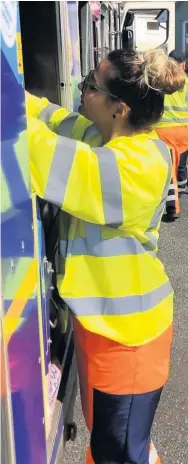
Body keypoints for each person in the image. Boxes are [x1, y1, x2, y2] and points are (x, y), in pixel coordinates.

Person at [26, 49, 184, 464]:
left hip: (129, 341)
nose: (81, 90)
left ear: (119, 108)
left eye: (91, 86)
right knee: (109, 442)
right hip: (103, 328)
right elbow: (51, 120)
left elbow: (40, 152)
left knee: (120, 451)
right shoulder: (106, 136)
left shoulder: (133, 168)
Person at [156, 49, 188, 220]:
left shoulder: (160, 81)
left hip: (163, 130)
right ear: (183, 64)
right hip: (185, 131)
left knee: (171, 171)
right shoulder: (187, 81)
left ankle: (173, 206)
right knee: (181, 166)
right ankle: (180, 194)